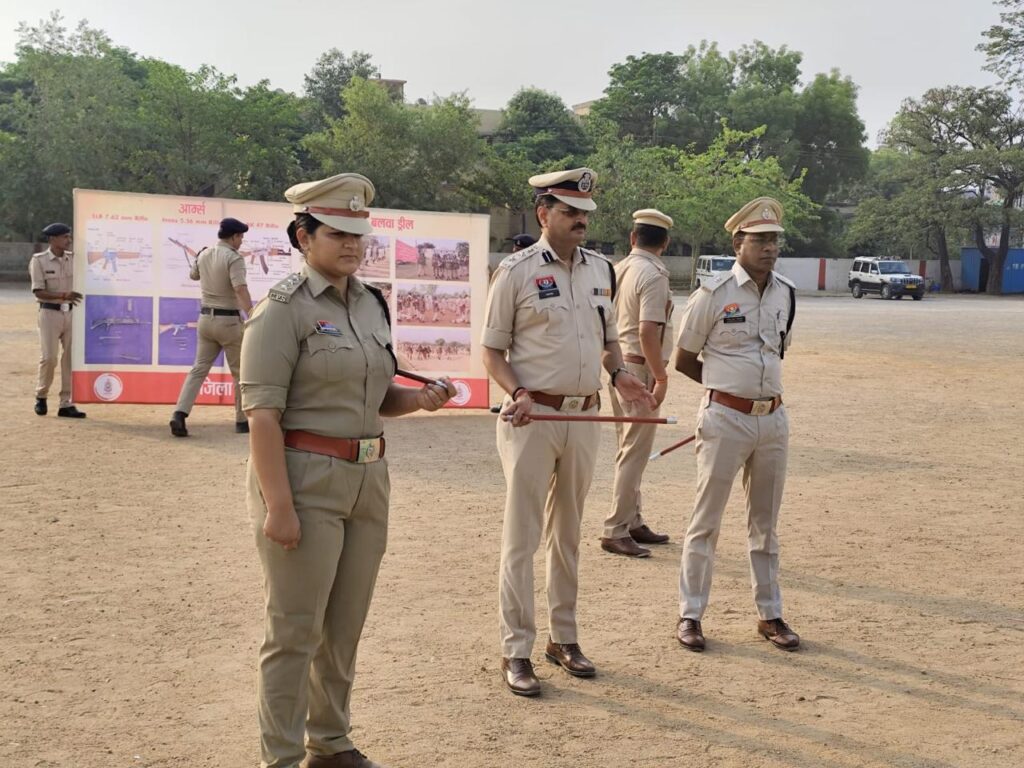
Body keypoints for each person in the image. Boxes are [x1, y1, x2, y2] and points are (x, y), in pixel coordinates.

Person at [241, 172, 455, 768]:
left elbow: (378, 396)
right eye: (337, 233)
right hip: (304, 479)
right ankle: (281, 757)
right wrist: (278, 507)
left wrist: (420, 401)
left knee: (343, 627)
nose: (352, 245)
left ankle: (330, 743)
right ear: (303, 237)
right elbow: (262, 416)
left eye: (358, 234)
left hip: (367, 479)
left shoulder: (369, 302)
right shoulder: (281, 311)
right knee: (293, 630)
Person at [482, 167, 657, 697]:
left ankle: (564, 638)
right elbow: (492, 351)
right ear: (544, 214)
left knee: (569, 532)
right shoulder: (515, 272)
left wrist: (620, 373)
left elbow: (608, 340)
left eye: (585, 213)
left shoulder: (602, 269)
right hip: (534, 417)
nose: (581, 220)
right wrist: (517, 392)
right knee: (523, 536)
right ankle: (517, 648)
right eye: (570, 212)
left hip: (585, 416)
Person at [673, 196, 799, 653]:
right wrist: (726, 389)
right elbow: (684, 358)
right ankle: (690, 615)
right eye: (759, 240)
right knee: (705, 521)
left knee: (765, 524)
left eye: (774, 240)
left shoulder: (786, 292)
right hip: (725, 419)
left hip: (772, 420)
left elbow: (778, 350)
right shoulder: (713, 294)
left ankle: (770, 614)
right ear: (737, 243)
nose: (769, 248)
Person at [601, 209, 675, 558]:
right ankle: (615, 528)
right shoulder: (654, 274)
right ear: (666, 242)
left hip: (619, 366)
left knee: (628, 447)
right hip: (640, 368)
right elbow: (648, 331)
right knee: (634, 452)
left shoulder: (618, 269)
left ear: (633, 238)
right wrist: (660, 376)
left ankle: (632, 520)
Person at [168, 217, 253, 437]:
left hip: (205, 320)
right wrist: (252, 314)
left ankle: (179, 413)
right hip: (229, 322)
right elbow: (240, 288)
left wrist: (198, 257)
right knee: (240, 373)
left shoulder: (205, 254)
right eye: (240, 237)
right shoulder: (234, 258)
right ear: (233, 237)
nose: (241, 241)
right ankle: (241, 420)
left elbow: (193, 275)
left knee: (198, 370)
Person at [29, 223, 85, 418]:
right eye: (64, 237)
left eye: (68, 236)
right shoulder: (39, 261)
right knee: (49, 357)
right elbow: (38, 291)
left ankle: (66, 403)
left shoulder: (74, 259)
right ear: (53, 239)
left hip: (71, 313)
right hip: (49, 313)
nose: (68, 240)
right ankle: (41, 395)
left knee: (70, 358)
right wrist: (63, 295)